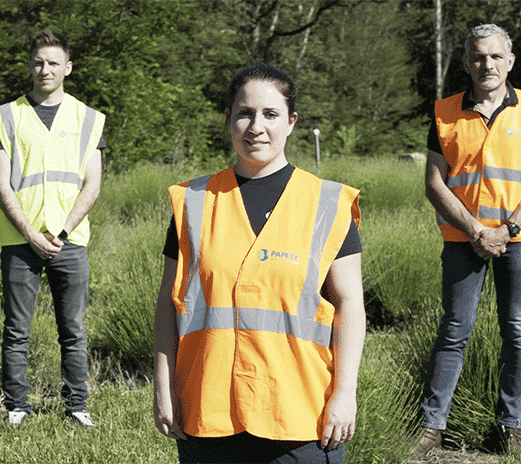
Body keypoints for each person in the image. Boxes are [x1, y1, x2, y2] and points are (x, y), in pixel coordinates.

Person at [153, 63, 366, 463]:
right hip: (208, 410)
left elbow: (350, 306)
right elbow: (168, 304)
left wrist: (345, 393)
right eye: (244, 113)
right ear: (229, 120)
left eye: (270, 114)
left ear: (291, 122)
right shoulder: (193, 201)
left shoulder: (328, 204)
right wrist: (163, 389)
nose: (256, 126)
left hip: (300, 413)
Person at [414, 23, 521, 457]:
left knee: (517, 333)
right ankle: (431, 428)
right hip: (463, 239)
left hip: (517, 239)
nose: (487, 64)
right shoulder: (444, 111)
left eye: (496, 56)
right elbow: (434, 183)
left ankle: (511, 426)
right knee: (454, 330)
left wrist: (506, 230)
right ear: (466, 63)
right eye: (479, 57)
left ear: (510, 61)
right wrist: (477, 230)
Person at [0, 31, 105, 426]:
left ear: (68, 68)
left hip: (70, 242)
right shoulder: (6, 115)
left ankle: (77, 406)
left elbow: (92, 184)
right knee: (16, 330)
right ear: (30, 65)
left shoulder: (89, 118)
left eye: (54, 63)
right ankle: (17, 407)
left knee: (73, 330)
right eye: (39, 62)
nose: (46, 69)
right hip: (18, 238)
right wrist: (30, 233)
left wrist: (59, 234)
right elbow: (1, 182)